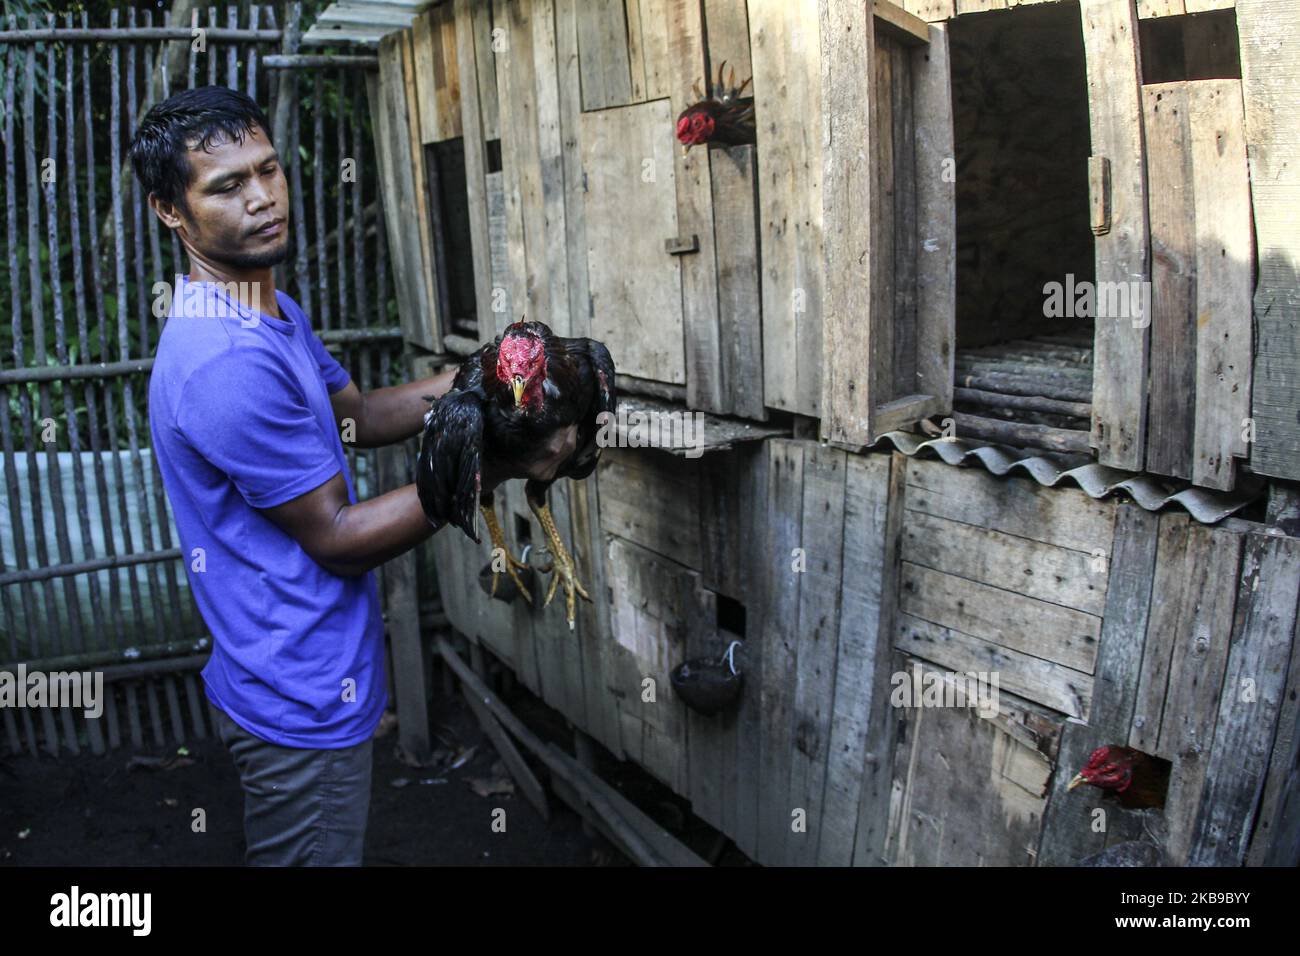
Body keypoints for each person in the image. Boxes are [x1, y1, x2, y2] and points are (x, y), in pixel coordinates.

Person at [129, 86, 574, 866]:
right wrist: (494, 461)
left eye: (268, 170)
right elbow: (336, 538)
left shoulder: (269, 310)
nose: (263, 197)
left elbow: (360, 417)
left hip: (303, 666)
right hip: (296, 695)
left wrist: (491, 373)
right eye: (227, 186)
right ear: (171, 210)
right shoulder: (225, 362)